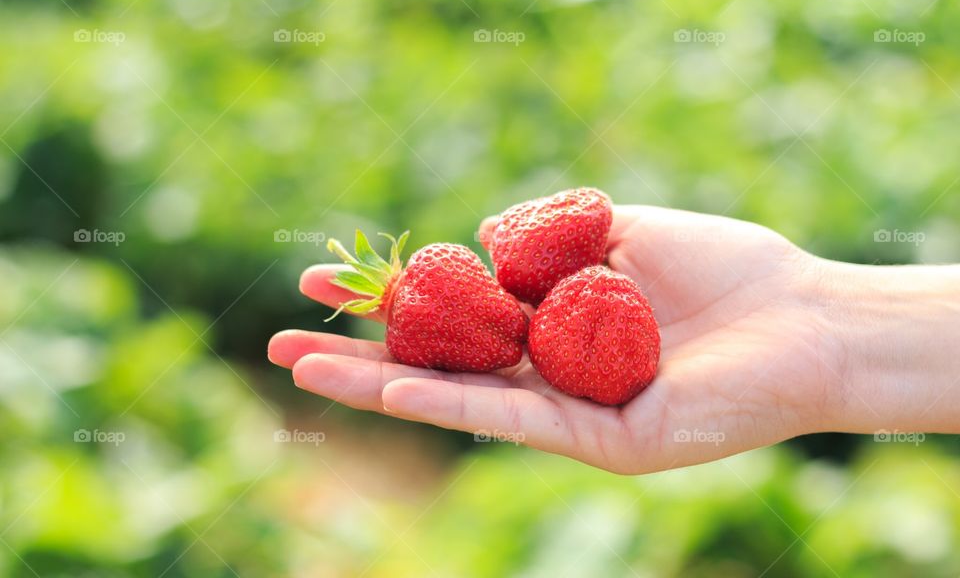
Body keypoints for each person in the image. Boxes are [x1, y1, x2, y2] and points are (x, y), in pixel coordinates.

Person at [268, 205, 960, 474]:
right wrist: (829, 324)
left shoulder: (474, 283)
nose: (514, 334)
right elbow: (511, 323)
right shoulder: (471, 290)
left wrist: (821, 319)